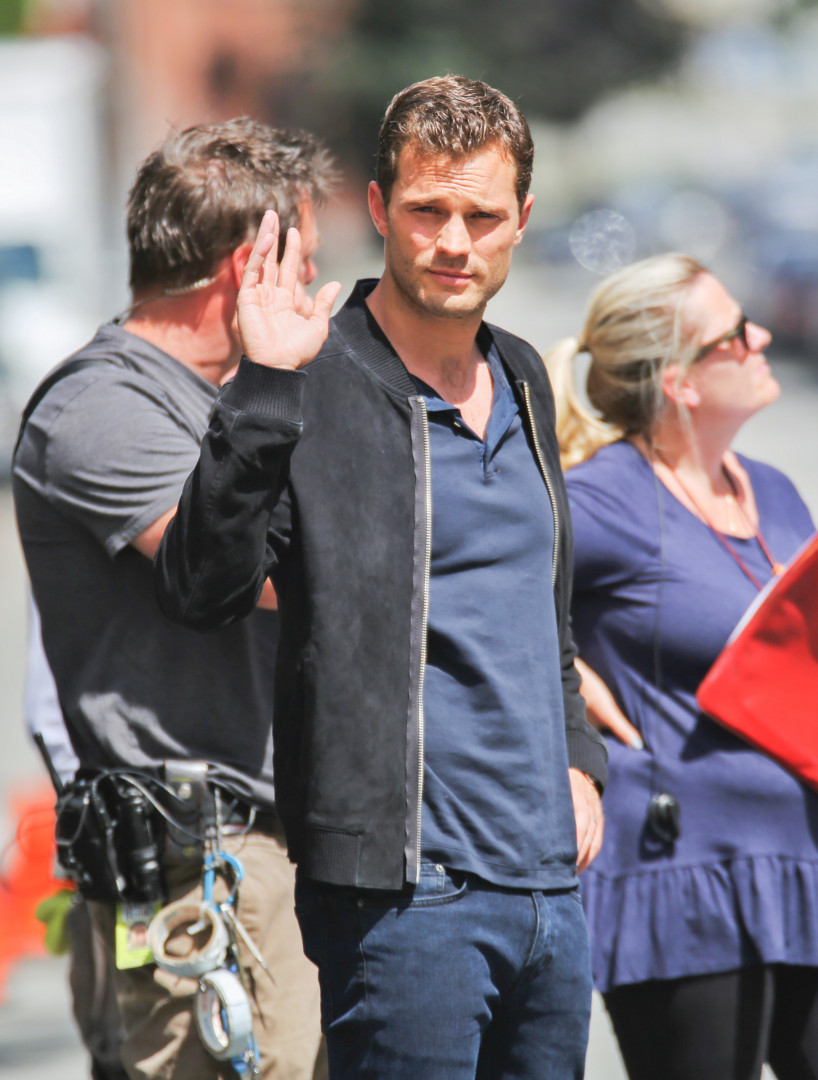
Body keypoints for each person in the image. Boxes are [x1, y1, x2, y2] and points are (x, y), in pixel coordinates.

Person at [154, 76, 608, 1080]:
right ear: (377, 208)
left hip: (549, 891)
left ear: (521, 220)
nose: (454, 241)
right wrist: (263, 388)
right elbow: (200, 589)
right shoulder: (309, 378)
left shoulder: (523, 374)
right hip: (406, 897)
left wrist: (580, 760)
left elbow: (546, 615)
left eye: (482, 216)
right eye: (426, 210)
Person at [13, 117, 335, 1080]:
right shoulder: (100, 409)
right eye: (305, 261)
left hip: (274, 842)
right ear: (249, 266)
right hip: (208, 856)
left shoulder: (227, 394)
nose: (316, 283)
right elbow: (258, 576)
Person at [546, 253, 818, 1080]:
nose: (760, 337)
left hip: (799, 856)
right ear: (680, 382)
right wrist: (571, 680)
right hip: (682, 870)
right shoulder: (603, 497)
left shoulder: (773, 490)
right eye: (735, 332)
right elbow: (467, 589)